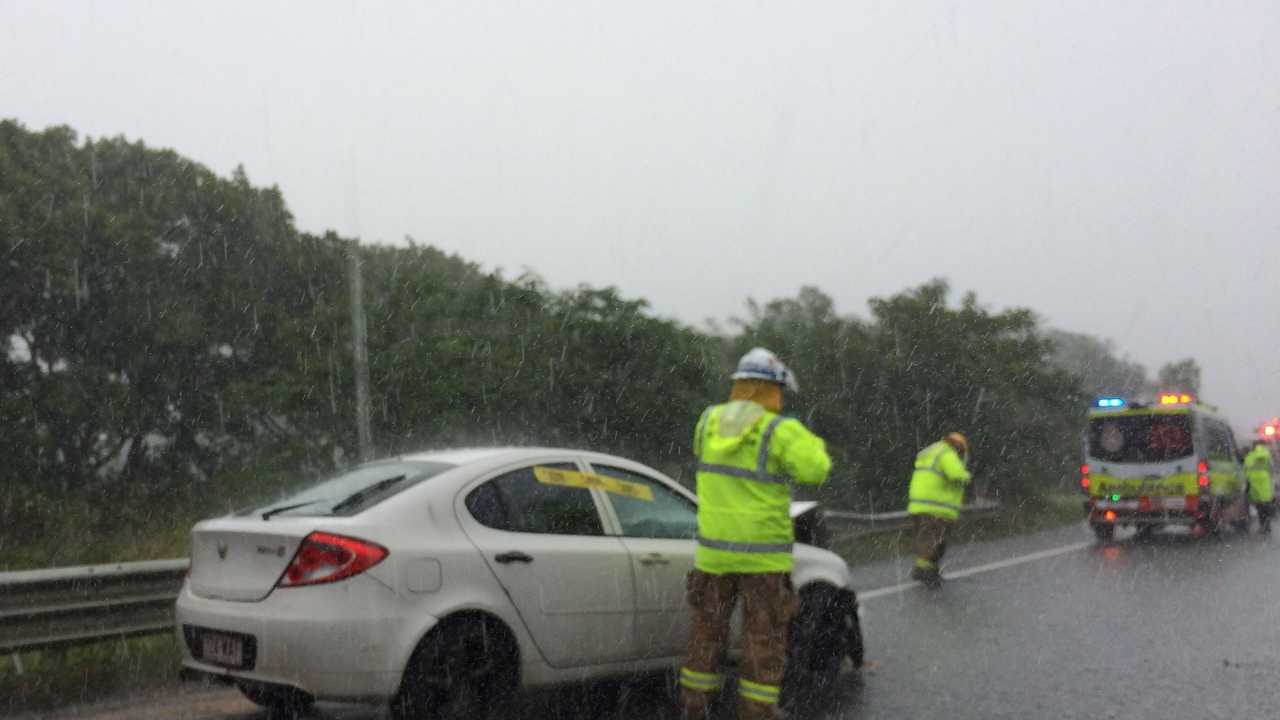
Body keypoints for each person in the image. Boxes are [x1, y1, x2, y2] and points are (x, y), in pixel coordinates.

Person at [680, 347, 832, 720]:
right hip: (763, 556)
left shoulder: (708, 421)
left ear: (739, 386)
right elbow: (817, 470)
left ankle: (695, 706)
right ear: (773, 390)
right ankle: (757, 710)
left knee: (706, 633)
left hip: (713, 555)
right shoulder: (780, 430)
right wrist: (803, 436)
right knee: (763, 637)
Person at [907, 432, 972, 587]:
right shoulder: (946, 454)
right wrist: (967, 476)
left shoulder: (932, 452)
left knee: (929, 539)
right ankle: (925, 573)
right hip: (936, 506)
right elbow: (956, 474)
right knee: (933, 541)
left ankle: (929, 571)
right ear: (957, 446)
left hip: (920, 504)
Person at [1244, 441, 1274, 534]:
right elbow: (1271, 468)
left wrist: (1247, 485)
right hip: (1265, 484)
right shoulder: (1267, 454)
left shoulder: (1249, 457)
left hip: (1255, 486)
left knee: (1260, 508)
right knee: (1266, 508)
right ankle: (1267, 526)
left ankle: (1263, 527)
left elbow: (1246, 472)